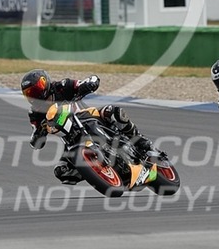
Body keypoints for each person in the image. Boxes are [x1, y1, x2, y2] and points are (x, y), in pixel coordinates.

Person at [20, 68, 154, 185]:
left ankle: (140, 140)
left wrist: (89, 84)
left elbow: (86, 81)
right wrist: (38, 136)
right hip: (70, 139)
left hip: (87, 116)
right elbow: (35, 137)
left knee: (114, 112)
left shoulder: (62, 86)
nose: (34, 95)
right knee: (61, 171)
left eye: (36, 89)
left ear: (45, 83)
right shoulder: (35, 113)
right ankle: (97, 171)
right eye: (29, 93)